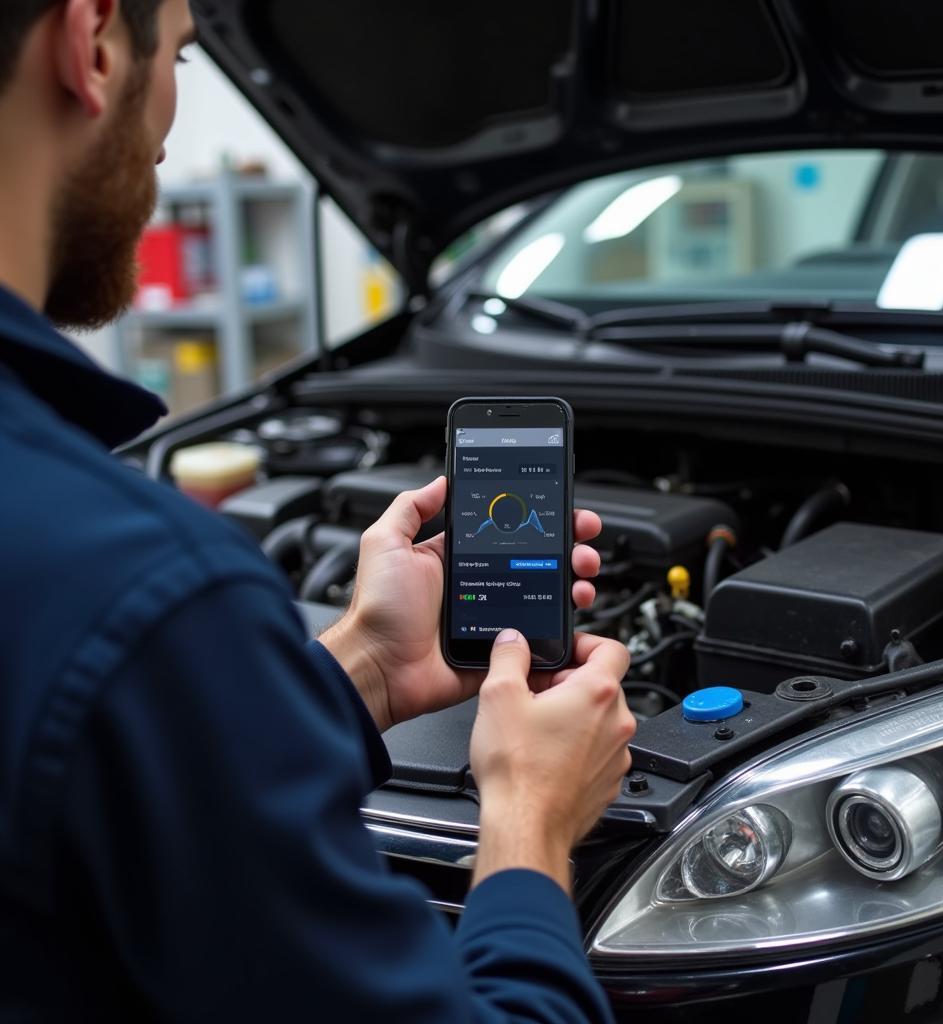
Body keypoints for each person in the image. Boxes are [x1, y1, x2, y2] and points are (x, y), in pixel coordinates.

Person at [0, 1, 637, 1021]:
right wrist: (530, 814)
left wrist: (366, 668)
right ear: (93, 44)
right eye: (184, 56)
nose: (168, 121)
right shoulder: (144, 586)